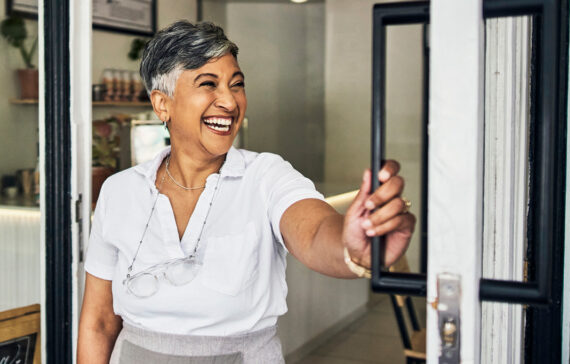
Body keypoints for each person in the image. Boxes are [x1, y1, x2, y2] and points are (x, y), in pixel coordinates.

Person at [78, 21, 415, 363]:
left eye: (236, 85)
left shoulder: (266, 175)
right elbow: (99, 322)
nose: (229, 101)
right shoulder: (119, 191)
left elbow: (313, 232)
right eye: (208, 84)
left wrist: (352, 247)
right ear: (162, 104)